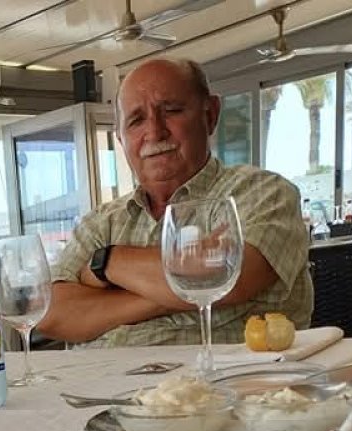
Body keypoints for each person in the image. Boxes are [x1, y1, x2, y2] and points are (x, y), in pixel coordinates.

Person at [38, 58, 313, 347]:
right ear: (120, 138)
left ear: (210, 115)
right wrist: (187, 289)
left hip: (229, 386)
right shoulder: (99, 223)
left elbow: (234, 277)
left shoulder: (262, 193)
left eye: (171, 111)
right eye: (136, 120)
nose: (155, 132)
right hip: (100, 387)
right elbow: (52, 315)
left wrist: (109, 262)